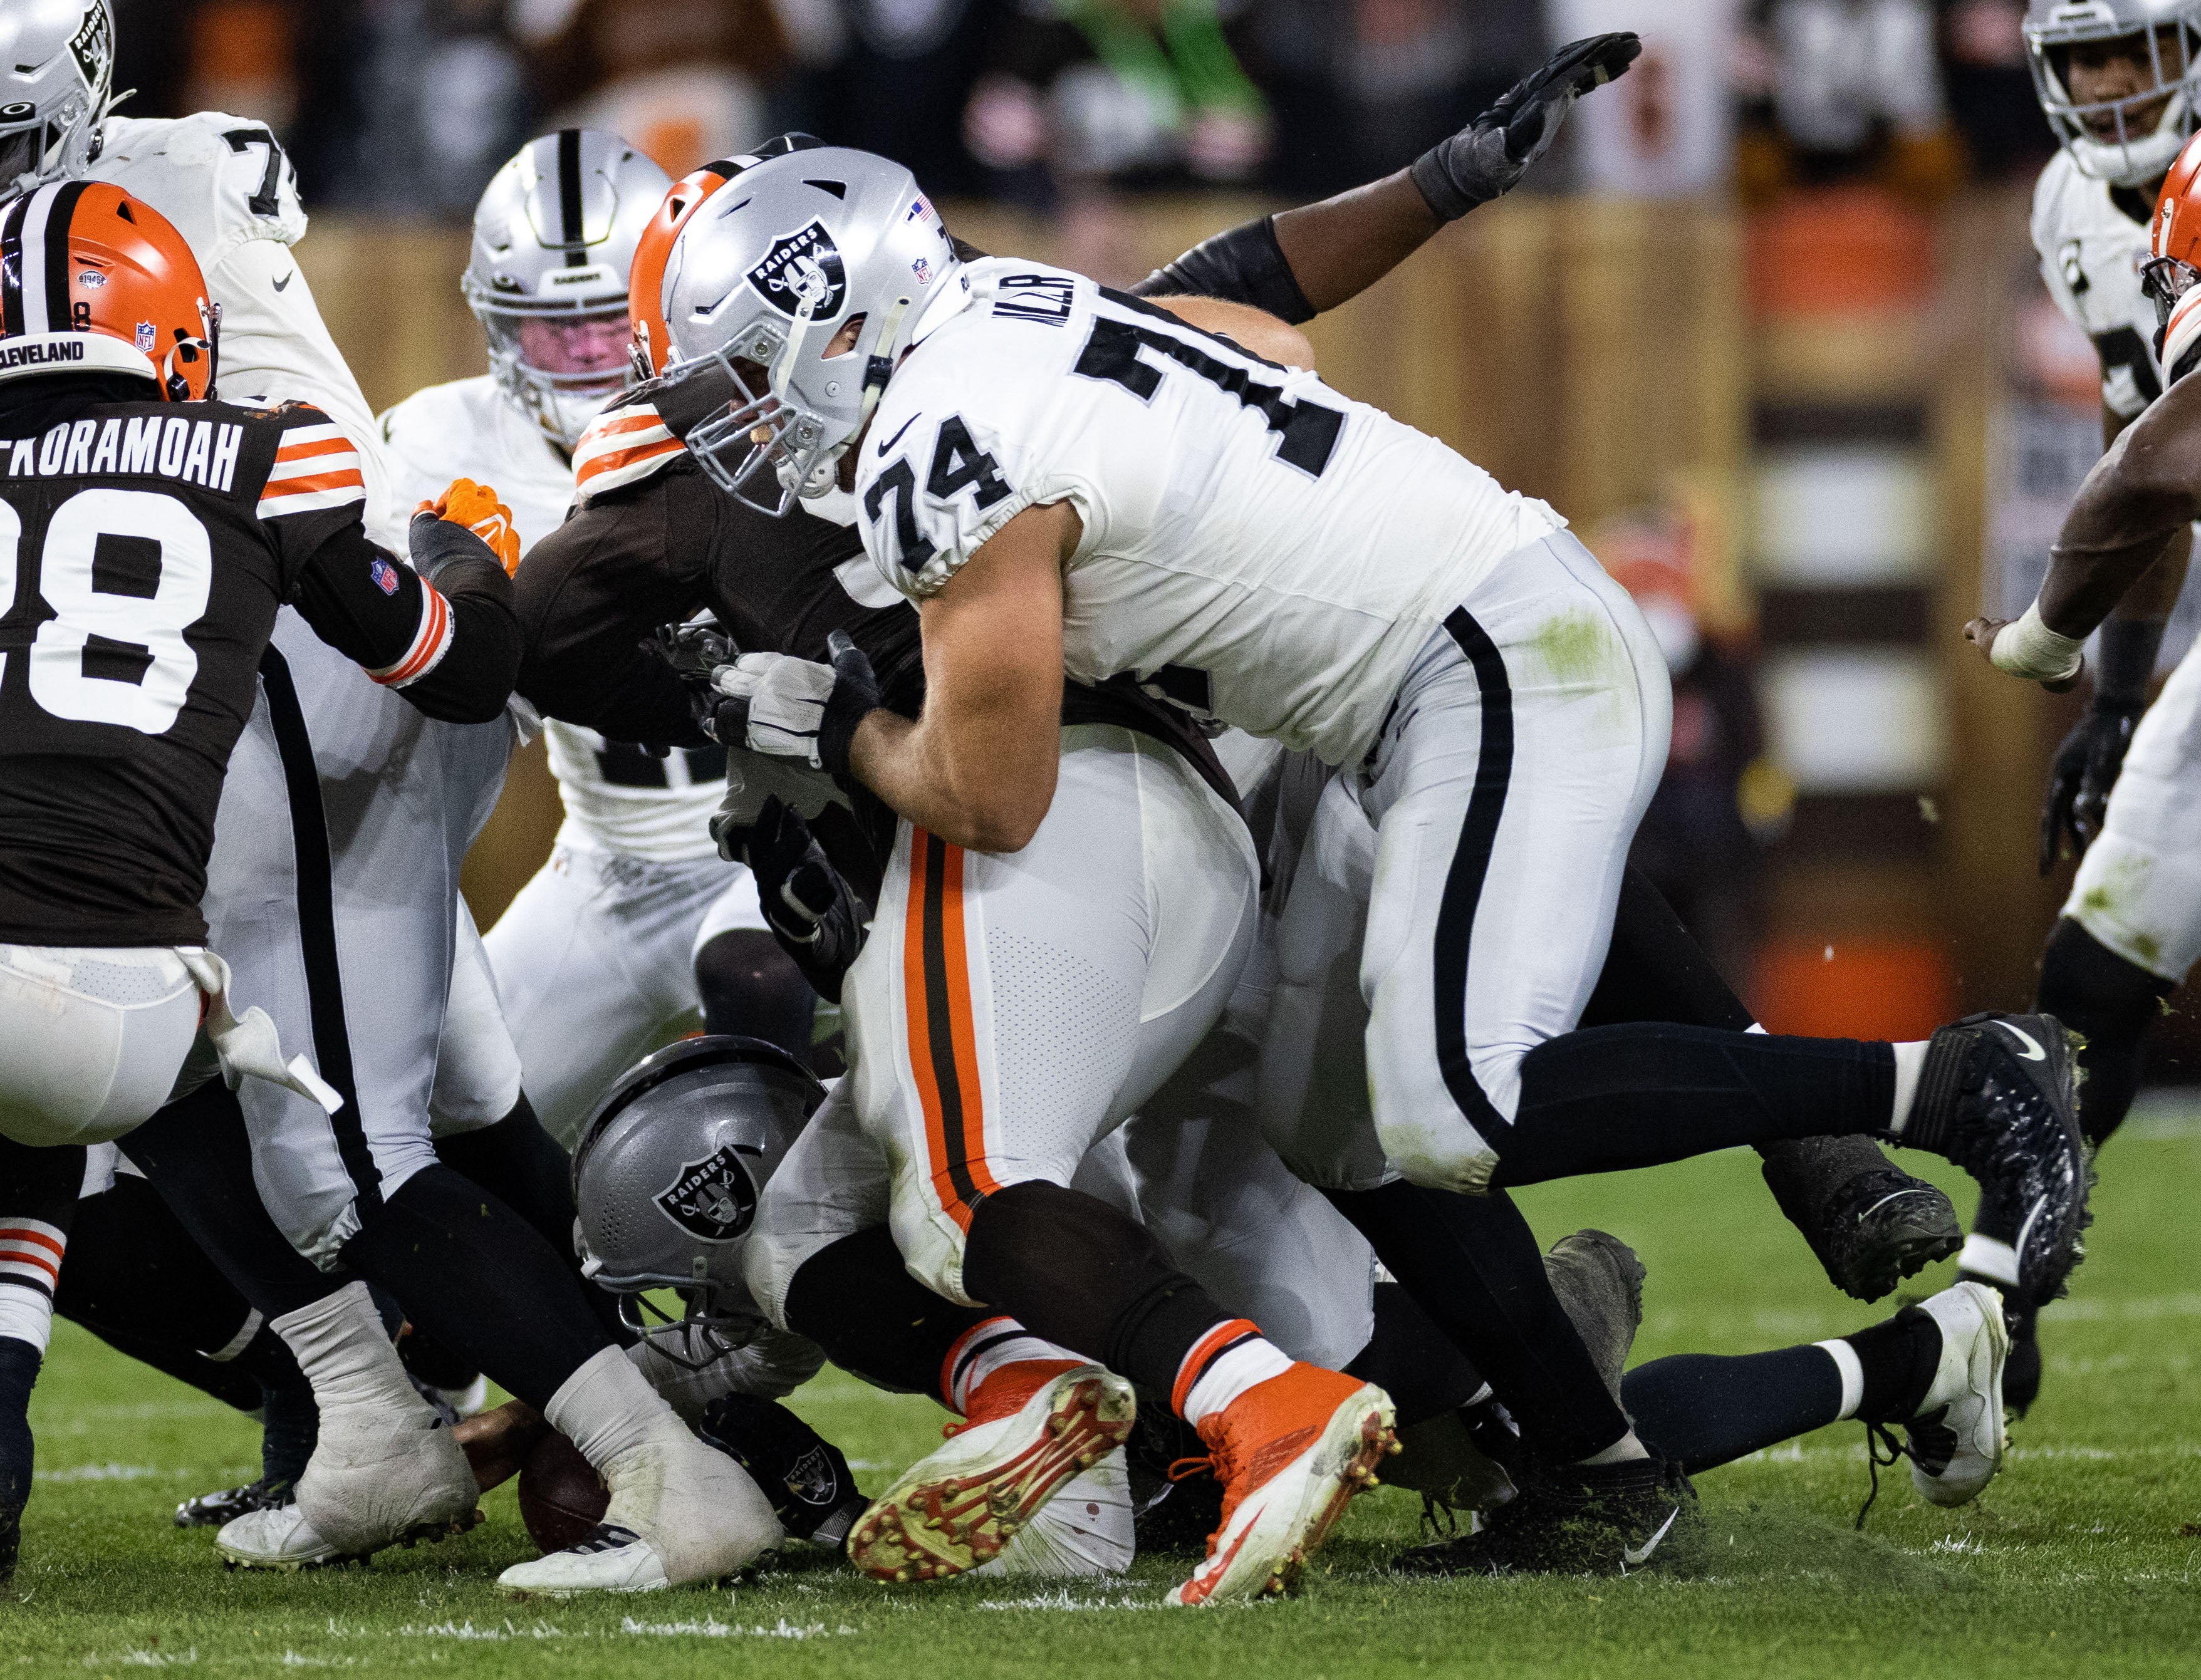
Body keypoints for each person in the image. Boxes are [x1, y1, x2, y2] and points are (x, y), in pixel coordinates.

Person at [672, 122, 2088, 1578]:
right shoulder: (1012, 308)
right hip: (1439, 658)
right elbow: (1256, 334)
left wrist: (834, 728)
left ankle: (1947, 1079)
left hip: (1477, 663)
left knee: (1451, 1109)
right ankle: (1597, 1470)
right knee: (1332, 1118)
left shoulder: (938, 440)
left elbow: (990, 798)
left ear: (840, 317)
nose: (744, 419)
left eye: (746, 370)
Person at [0, 181, 515, 1580]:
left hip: (72, 966)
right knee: (296, 1123)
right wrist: (475, 563)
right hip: (156, 970)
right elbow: (454, 671)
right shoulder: (255, 453)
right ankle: (416, 1397)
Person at [378, 128, 816, 1149]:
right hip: (610, 861)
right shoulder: (438, 444)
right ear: (495, 322)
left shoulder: (774, 411)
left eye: (606, 320)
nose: (581, 355)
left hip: (784, 841)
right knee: (434, 1125)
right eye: (550, 328)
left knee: (766, 1001)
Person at [1996, 0, 2201, 1411]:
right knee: (2086, 988)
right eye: (2086, 58)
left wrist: (2042, 639)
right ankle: (1988, 1306)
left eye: (2136, 50)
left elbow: (2147, 474)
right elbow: (2159, 457)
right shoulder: (2074, 209)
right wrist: (2122, 700)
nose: (2115, 82)